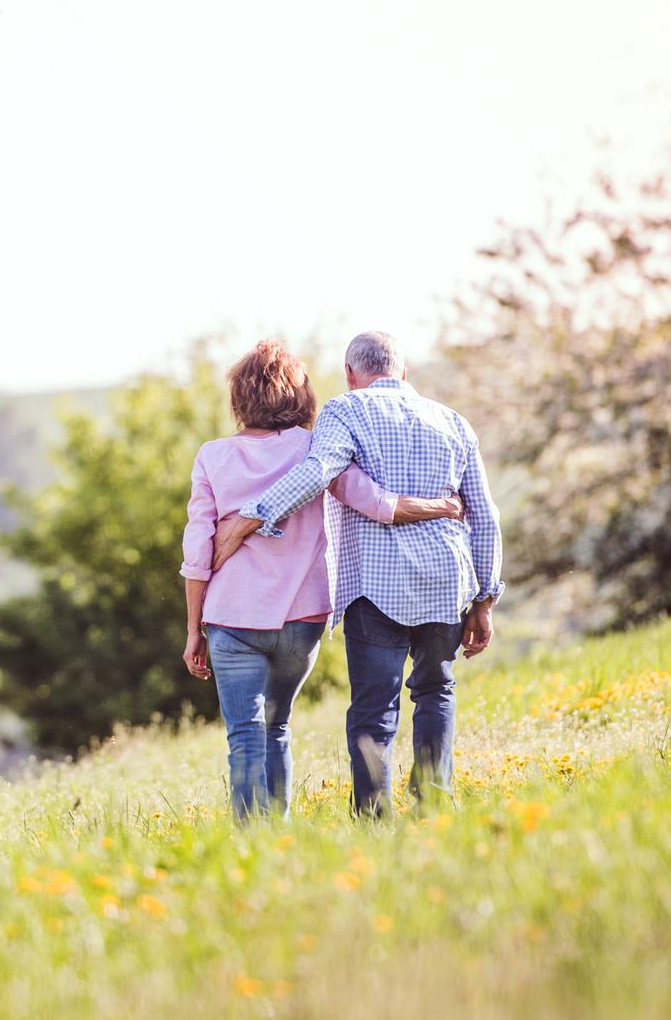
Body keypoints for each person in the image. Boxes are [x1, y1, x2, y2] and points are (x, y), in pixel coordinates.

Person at [211, 331, 502, 813]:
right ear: (403, 371)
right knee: (436, 690)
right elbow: (484, 514)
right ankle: (434, 800)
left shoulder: (345, 411)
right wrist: (486, 598)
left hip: (375, 585)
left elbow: (318, 471)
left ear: (350, 374)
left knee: (374, 707)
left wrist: (249, 519)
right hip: (449, 581)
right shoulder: (454, 422)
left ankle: (372, 813)